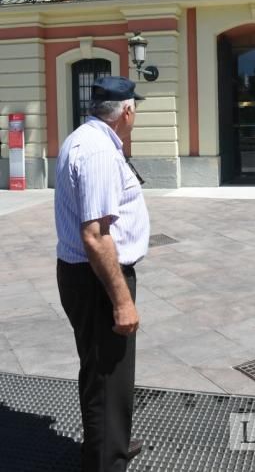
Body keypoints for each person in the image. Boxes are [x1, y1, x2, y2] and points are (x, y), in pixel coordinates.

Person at [55, 76, 150, 472]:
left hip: (87, 274)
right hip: (97, 278)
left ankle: (111, 444)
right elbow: (95, 237)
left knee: (104, 374)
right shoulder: (98, 152)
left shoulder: (85, 138)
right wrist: (122, 301)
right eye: (136, 110)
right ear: (126, 111)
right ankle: (105, 462)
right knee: (107, 378)